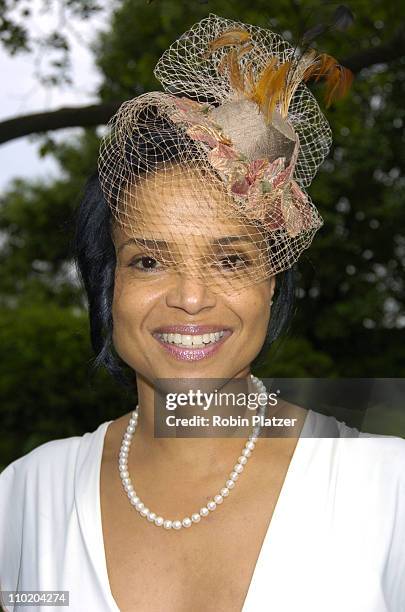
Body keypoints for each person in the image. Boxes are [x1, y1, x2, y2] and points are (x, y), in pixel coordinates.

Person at [0, 14, 404, 612]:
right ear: (108, 283)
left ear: (273, 283)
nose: (191, 298)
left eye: (231, 259)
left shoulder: (389, 491)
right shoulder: (24, 499)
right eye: (147, 261)